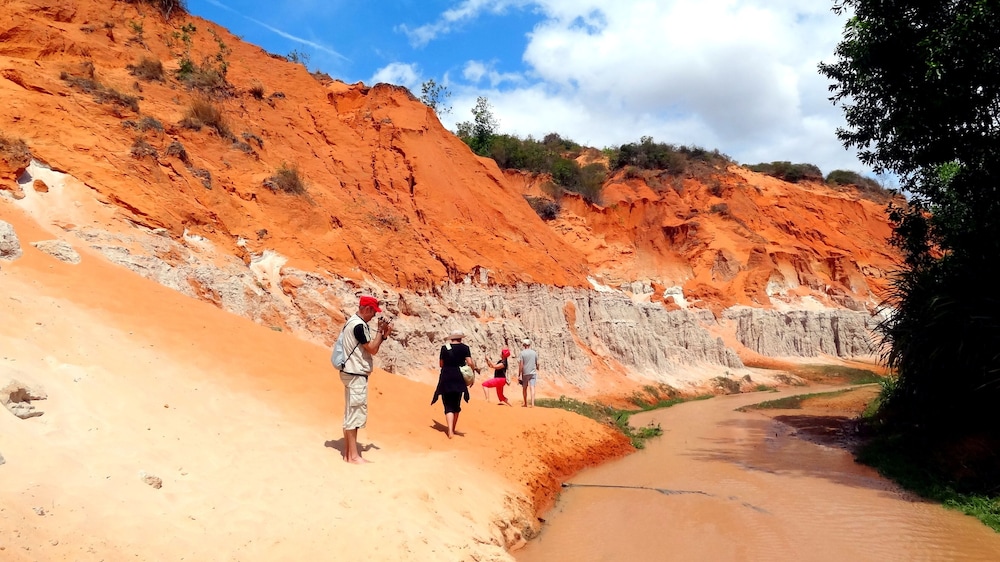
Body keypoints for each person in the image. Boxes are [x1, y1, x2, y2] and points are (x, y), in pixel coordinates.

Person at [338, 295, 391, 464]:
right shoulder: (359, 326)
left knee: (350, 413)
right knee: (355, 414)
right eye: (373, 312)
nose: (374, 316)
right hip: (356, 374)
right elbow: (373, 349)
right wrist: (381, 334)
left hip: (349, 373)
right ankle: (353, 456)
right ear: (367, 309)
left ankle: (348, 454)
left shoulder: (352, 322)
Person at [431, 330, 477, 438]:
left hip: (446, 377)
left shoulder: (444, 348)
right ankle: (453, 429)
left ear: (451, 338)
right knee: (456, 405)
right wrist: (472, 373)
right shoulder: (465, 348)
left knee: (448, 405)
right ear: (461, 338)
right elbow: (470, 362)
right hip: (458, 378)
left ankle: (450, 431)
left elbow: (441, 364)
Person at [518, 338, 539, 407]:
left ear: (524, 345)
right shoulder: (534, 352)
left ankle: (525, 403)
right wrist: (537, 368)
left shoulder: (522, 353)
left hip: (525, 373)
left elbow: (521, 364)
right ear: (529, 345)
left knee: (524, 388)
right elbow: (537, 363)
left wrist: (519, 374)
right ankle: (532, 404)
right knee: (532, 387)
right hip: (533, 373)